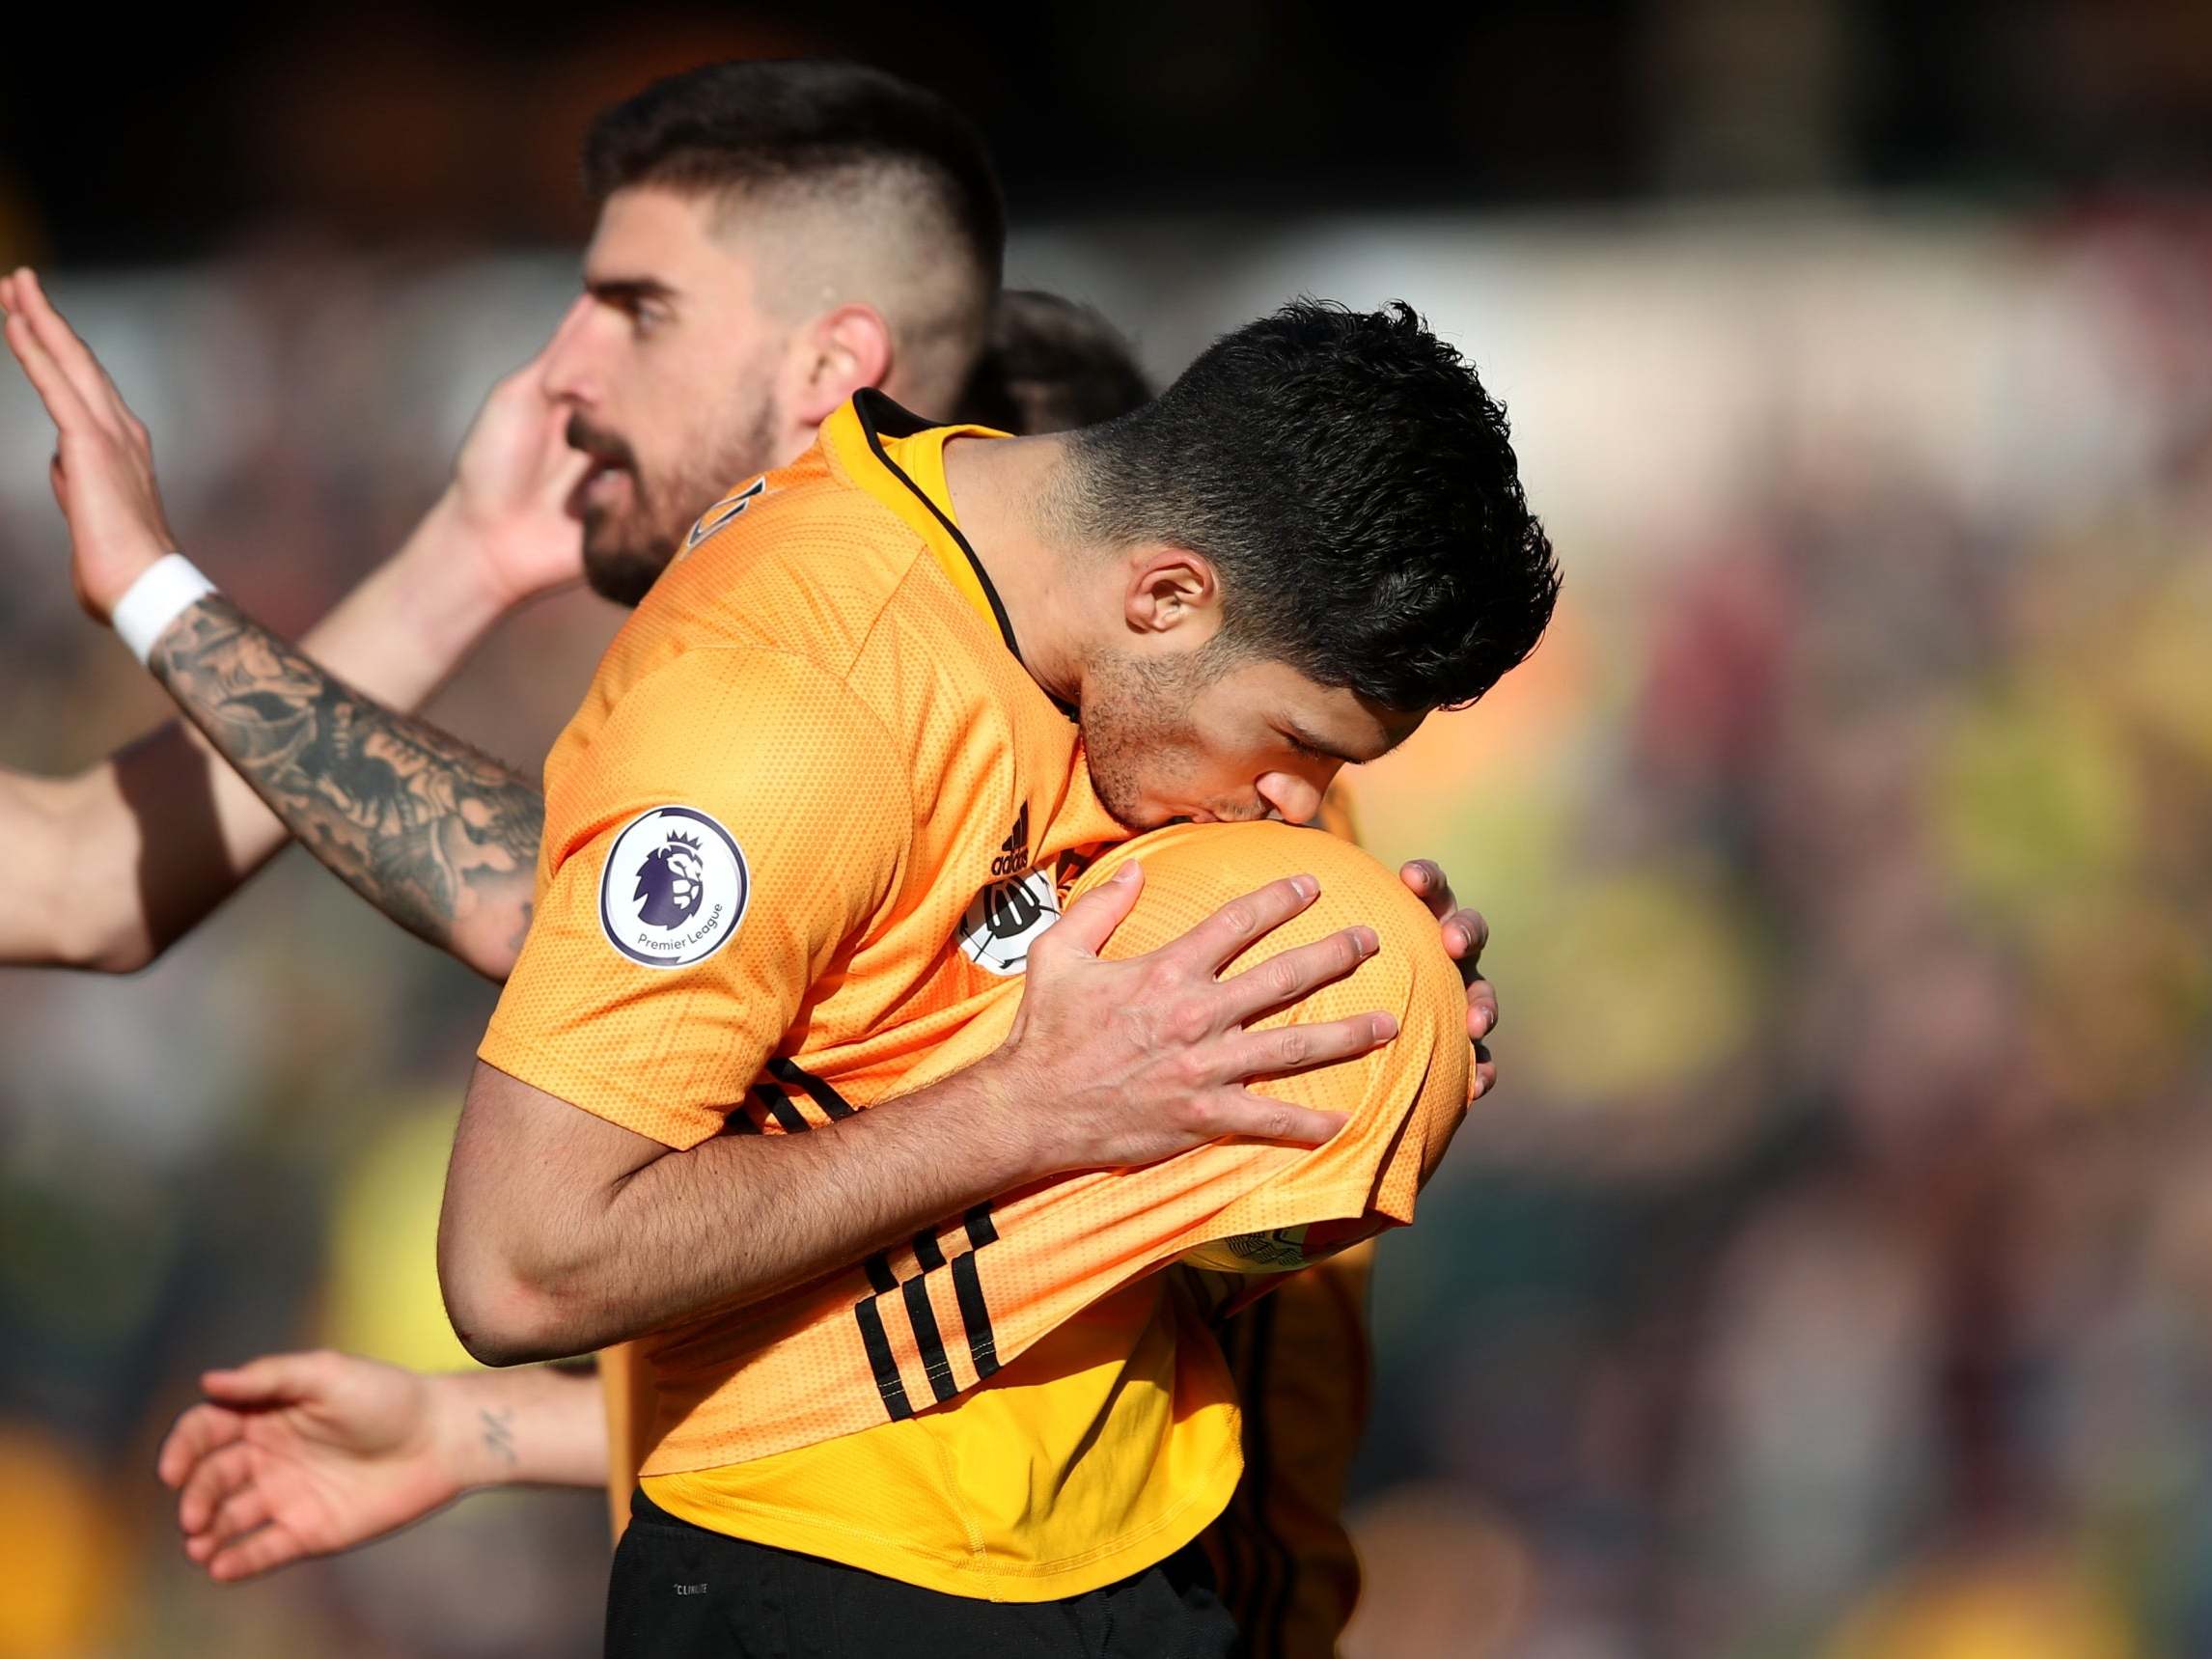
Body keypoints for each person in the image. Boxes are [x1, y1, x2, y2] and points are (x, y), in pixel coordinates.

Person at [5, 62, 1512, 1655]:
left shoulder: (1197, 722)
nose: (554, 375)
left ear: (830, 366)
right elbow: (534, 1188)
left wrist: (1359, 1080)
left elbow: (1036, 1301)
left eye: (632, 306)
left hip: (1153, 1576)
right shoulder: (811, 689)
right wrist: (223, 593)